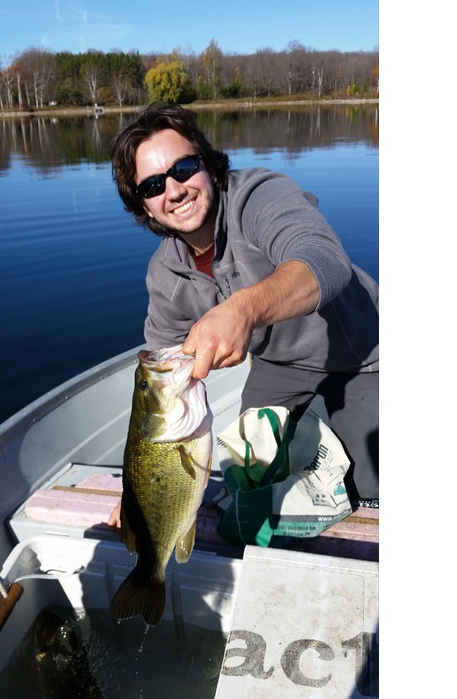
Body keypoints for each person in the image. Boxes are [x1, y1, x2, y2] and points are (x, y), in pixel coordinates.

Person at [107, 102, 379, 518]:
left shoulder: (257, 196)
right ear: (145, 206)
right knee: (247, 478)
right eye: (153, 186)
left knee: (370, 488)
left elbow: (324, 259)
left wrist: (243, 310)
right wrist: (138, 491)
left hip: (362, 355)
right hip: (279, 363)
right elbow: (156, 371)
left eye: (183, 169)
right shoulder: (166, 274)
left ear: (209, 166)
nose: (174, 190)